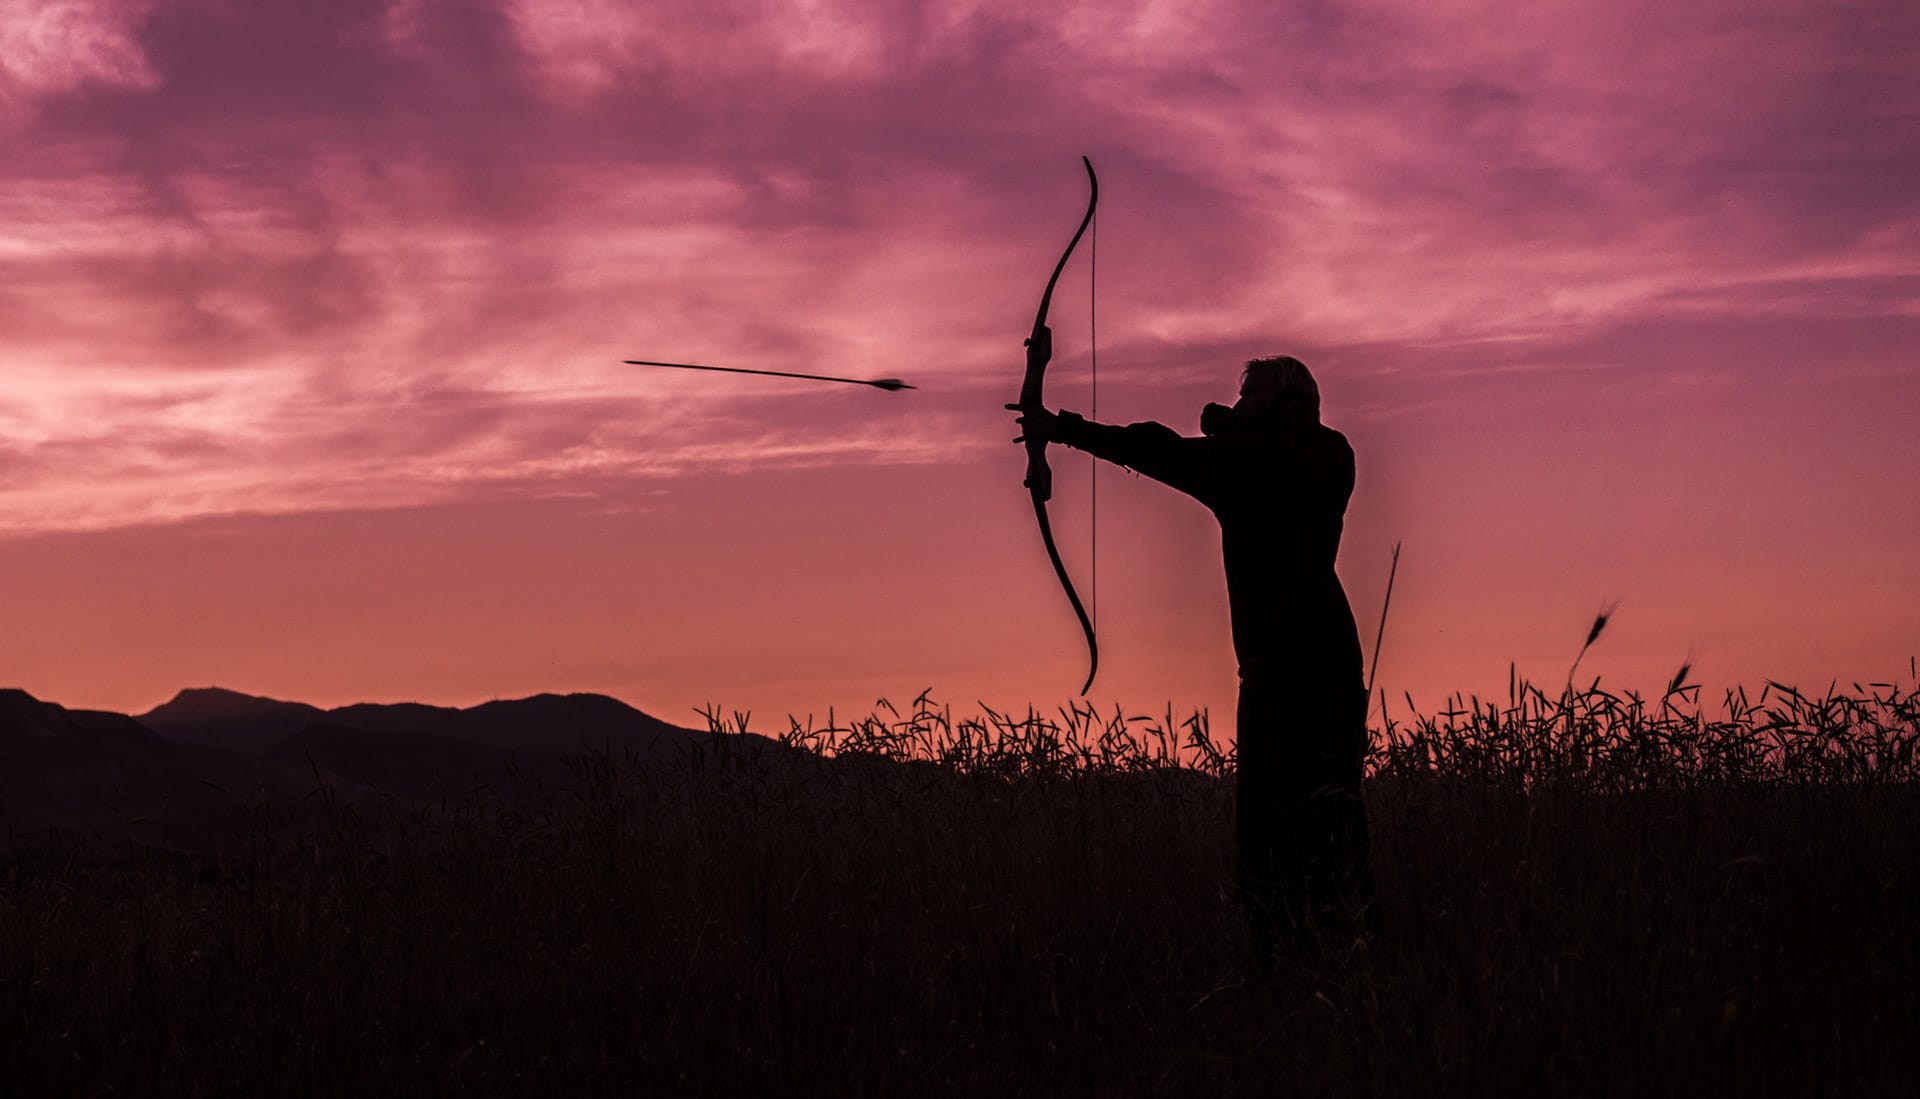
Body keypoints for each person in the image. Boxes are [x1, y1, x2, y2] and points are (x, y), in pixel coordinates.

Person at [1011, 338, 1372, 948]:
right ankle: (1304, 949)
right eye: (1240, 397)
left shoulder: (1301, 459)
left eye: (1252, 398)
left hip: (1303, 673)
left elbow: (1176, 450)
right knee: (1289, 821)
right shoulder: (1283, 457)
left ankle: (1320, 945)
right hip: (1303, 665)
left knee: (1313, 817)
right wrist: (1062, 428)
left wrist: (1063, 428)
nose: (1239, 406)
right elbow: (1165, 449)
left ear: (1291, 407)